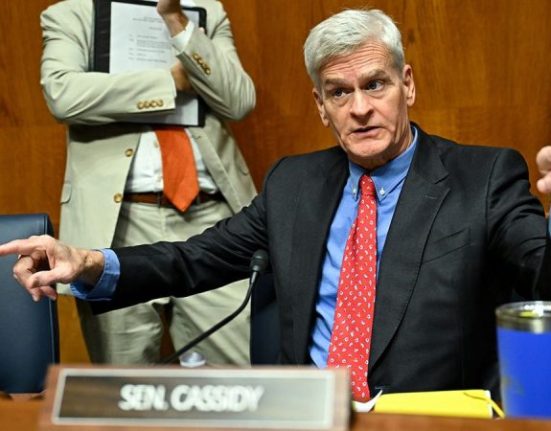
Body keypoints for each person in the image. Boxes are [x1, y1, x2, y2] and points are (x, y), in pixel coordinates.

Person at [2, 8, 551, 402]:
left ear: (407, 85)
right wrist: (87, 262)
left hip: (429, 419)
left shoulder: (483, 177)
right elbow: (193, 259)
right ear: (320, 105)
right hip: (309, 415)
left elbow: (540, 272)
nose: (360, 108)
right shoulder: (294, 183)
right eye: (339, 92)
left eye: (375, 85)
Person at [39, 0, 257, 365]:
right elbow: (63, 95)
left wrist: (175, 18)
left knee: (241, 376)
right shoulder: (73, 13)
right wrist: (170, 82)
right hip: (119, 222)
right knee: (123, 382)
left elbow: (239, 101)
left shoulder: (207, 11)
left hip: (211, 217)